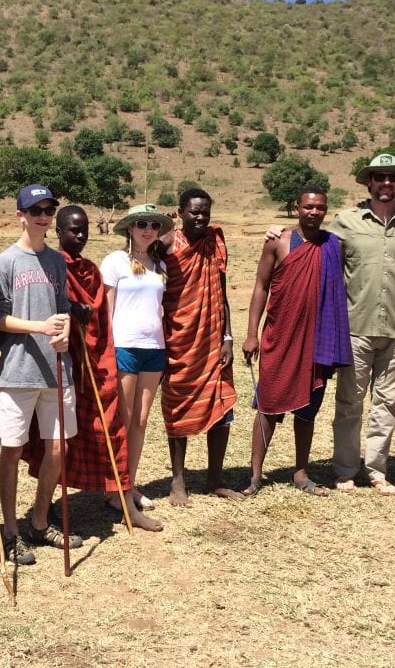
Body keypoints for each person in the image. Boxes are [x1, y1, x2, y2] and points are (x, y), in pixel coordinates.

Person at [24, 206, 163, 532]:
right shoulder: (59, 263)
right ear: (58, 231)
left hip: (133, 352)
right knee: (76, 435)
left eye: (84, 229)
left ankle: (124, 491)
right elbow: (94, 313)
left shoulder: (95, 267)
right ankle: (43, 514)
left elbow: (97, 313)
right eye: (73, 230)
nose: (80, 235)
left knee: (135, 423)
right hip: (69, 358)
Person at [241, 187, 353, 497]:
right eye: (308, 207)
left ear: (325, 210)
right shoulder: (278, 242)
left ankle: (301, 473)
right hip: (280, 337)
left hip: (318, 340)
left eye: (320, 207)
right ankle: (255, 475)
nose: (314, 212)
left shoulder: (333, 245)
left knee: (308, 408)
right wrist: (252, 333)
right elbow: (261, 286)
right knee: (269, 405)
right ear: (296, 208)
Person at [0, 184, 79, 565]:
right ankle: (10, 531)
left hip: (57, 370)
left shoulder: (57, 261)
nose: (43, 216)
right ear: (20, 215)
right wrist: (40, 328)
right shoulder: (5, 262)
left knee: (58, 448)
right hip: (18, 371)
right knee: (11, 450)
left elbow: (64, 309)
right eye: (35, 210)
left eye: (48, 209)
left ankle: (39, 522)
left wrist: (66, 330)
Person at [329, 153, 395, 495]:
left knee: (386, 405)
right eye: (379, 177)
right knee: (349, 403)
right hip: (355, 327)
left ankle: (376, 471)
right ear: (368, 182)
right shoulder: (346, 222)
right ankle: (345, 469)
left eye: (393, 177)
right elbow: (320, 258)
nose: (386, 182)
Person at [161, 188, 242, 506]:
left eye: (205, 211)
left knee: (222, 407)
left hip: (213, 338)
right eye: (194, 211)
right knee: (178, 407)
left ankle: (214, 479)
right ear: (180, 212)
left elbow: (221, 293)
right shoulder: (168, 242)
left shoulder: (215, 241)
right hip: (180, 340)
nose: (200, 217)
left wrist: (228, 337)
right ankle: (178, 480)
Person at [101, 203, 174, 512]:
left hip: (154, 348)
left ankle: (129, 483)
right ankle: (114, 488)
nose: (148, 230)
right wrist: (107, 348)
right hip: (125, 346)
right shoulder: (115, 261)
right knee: (124, 418)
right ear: (129, 228)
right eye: (141, 223)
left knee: (141, 421)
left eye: (154, 225)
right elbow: (107, 309)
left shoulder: (160, 265)